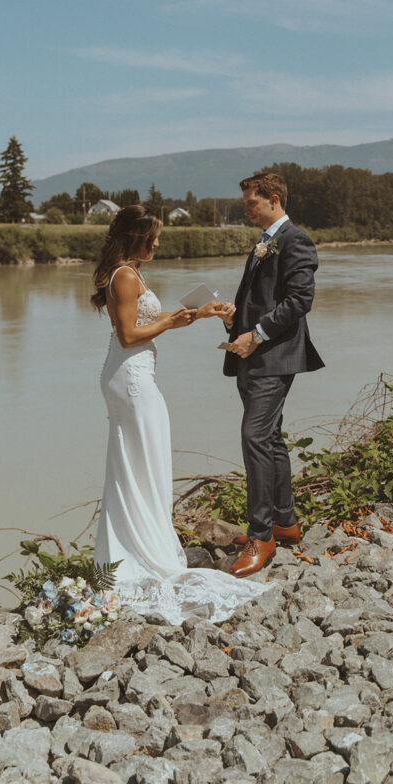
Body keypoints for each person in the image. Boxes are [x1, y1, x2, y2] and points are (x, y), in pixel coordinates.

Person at [92, 204, 268, 623]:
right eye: (152, 236)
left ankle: (133, 546)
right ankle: (142, 552)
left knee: (138, 463)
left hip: (131, 375)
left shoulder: (129, 273)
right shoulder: (124, 276)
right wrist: (172, 324)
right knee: (144, 462)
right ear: (135, 236)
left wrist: (198, 314)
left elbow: (147, 323)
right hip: (132, 380)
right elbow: (129, 333)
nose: (157, 242)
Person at [222, 172, 324, 577]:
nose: (246, 209)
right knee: (270, 437)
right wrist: (234, 319)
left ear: (274, 200)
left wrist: (257, 335)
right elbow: (262, 298)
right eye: (246, 202)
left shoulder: (294, 240)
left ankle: (261, 536)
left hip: (273, 355)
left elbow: (301, 299)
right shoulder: (265, 241)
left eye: (252, 203)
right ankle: (286, 522)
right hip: (252, 353)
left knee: (254, 437)